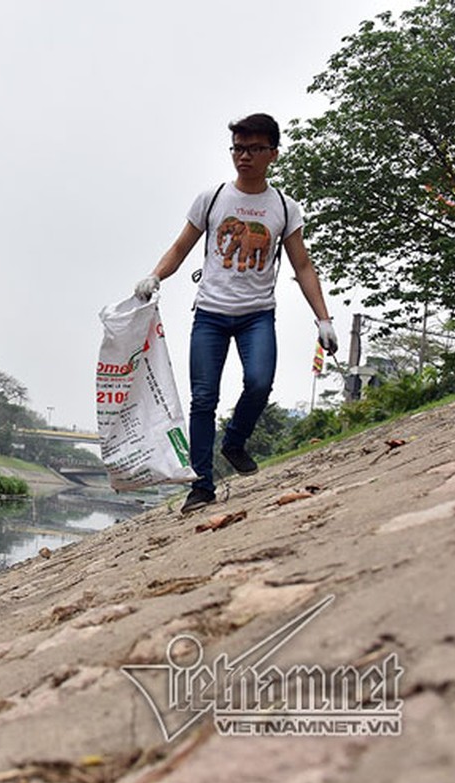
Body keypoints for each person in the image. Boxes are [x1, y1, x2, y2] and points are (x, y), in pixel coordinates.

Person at [133, 113, 338, 514]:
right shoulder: (212, 199)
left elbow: (303, 266)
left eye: (254, 149)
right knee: (203, 399)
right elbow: (180, 248)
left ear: (272, 154)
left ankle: (235, 441)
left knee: (260, 382)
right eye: (238, 148)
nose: (244, 156)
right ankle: (202, 485)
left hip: (257, 315)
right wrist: (154, 277)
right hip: (210, 313)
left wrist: (323, 319)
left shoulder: (284, 207)